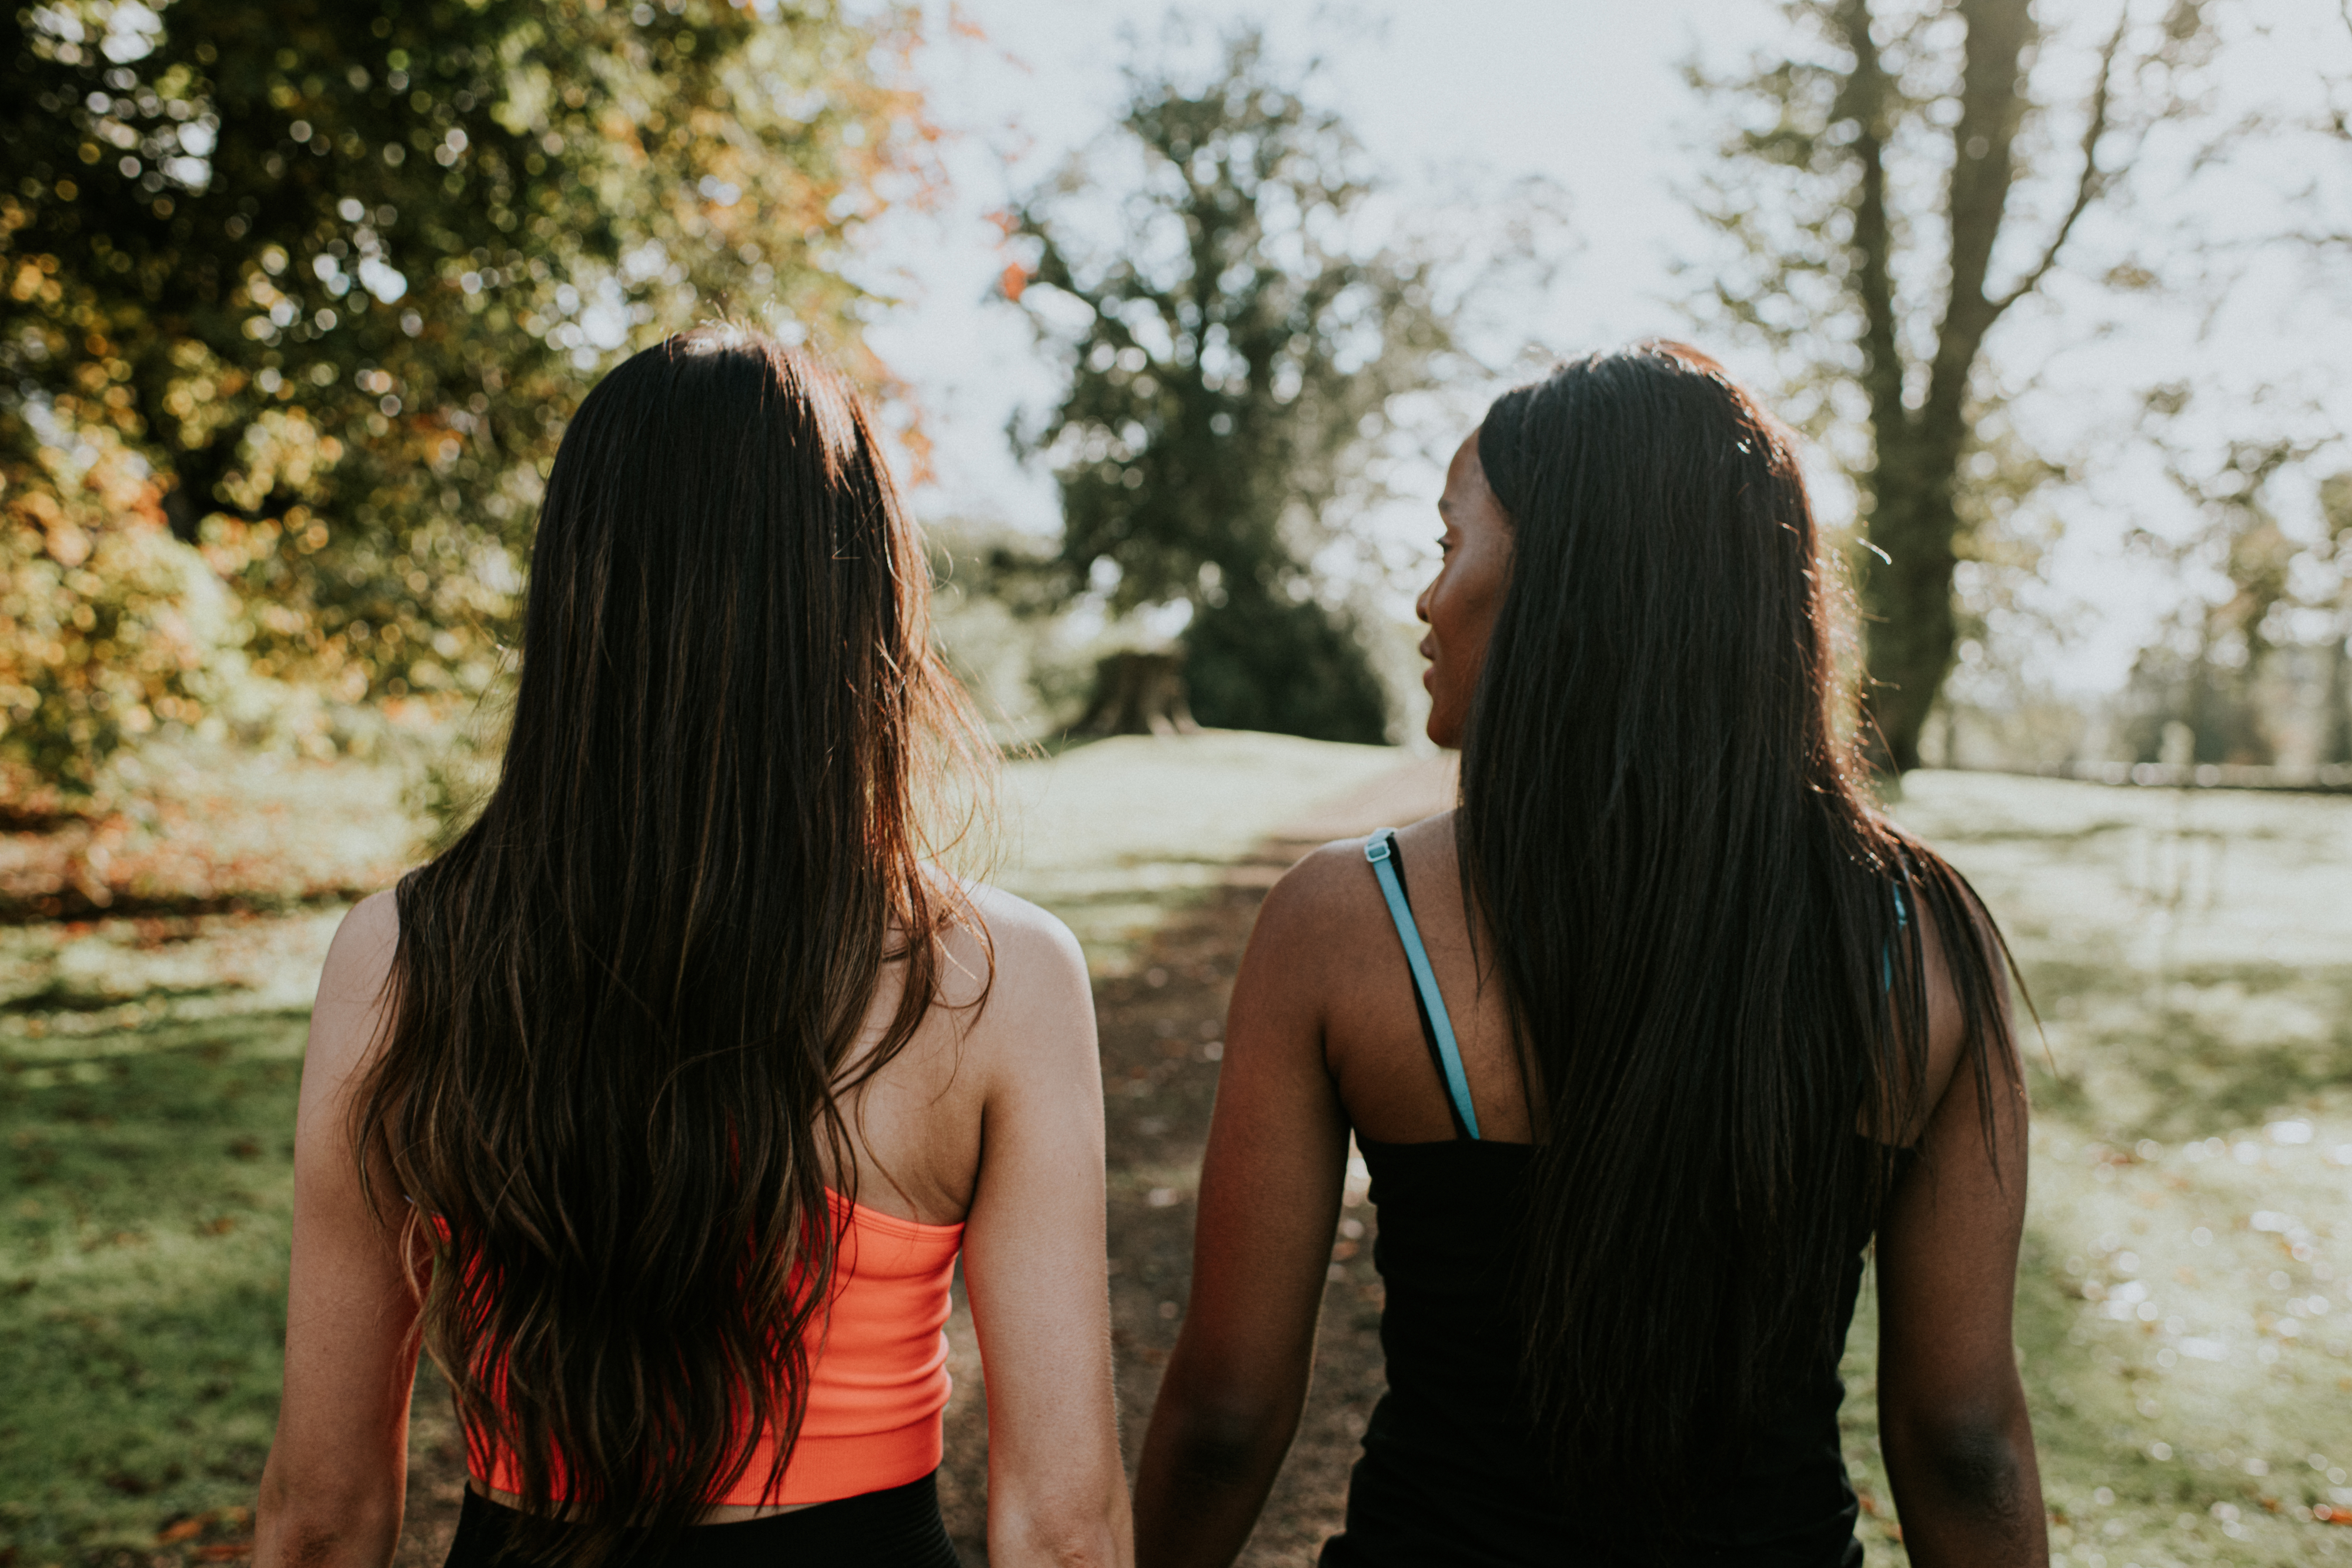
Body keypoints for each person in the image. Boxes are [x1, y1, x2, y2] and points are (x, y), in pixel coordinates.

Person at [1133, 342, 2046, 1566]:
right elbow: (1962, 1436)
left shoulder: (1349, 921)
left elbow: (1227, 1414)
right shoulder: (1917, 939)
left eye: (1450, 541)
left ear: (1563, 579)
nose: (1424, 594)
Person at [256, 328, 1131, 1568]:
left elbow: (322, 1514)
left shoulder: (403, 956)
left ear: (576, 592)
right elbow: (1061, 1526)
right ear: (864, 599)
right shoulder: (995, 979)